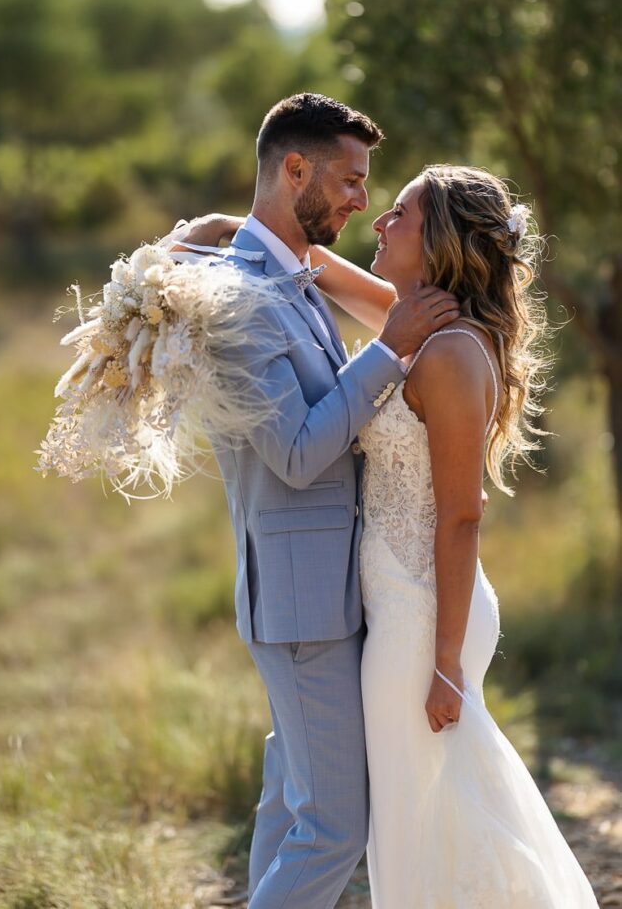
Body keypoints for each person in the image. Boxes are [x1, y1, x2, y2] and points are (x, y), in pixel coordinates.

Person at [190, 163, 598, 906]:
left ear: (438, 241)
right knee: (424, 818)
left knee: (414, 825)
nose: (379, 219)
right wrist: (239, 233)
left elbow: (462, 516)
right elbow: (334, 279)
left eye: (401, 212)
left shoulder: (447, 352)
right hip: (402, 609)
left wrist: (444, 662)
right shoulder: (424, 327)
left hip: (421, 618)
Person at [173, 93, 460, 909]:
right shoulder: (238, 294)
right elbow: (298, 453)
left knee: (292, 800)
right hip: (302, 606)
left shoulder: (288, 273)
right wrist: (389, 351)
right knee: (334, 825)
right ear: (294, 169)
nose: (362, 201)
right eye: (350, 180)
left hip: (328, 594)